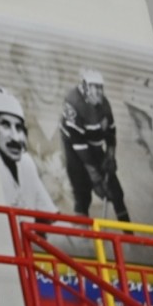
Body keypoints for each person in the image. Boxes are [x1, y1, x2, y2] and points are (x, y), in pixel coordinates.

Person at [60, 68, 130, 223]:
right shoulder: (73, 102)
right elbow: (78, 143)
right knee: (83, 192)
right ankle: (82, 230)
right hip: (74, 148)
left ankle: (129, 232)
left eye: (101, 87)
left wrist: (110, 155)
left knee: (116, 192)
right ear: (85, 87)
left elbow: (111, 133)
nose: (99, 91)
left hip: (93, 145)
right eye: (95, 87)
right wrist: (94, 174)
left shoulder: (104, 104)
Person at [0, 84, 58, 214]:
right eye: (5, 125)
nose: (16, 138)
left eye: (19, 128)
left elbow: (51, 217)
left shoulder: (25, 162)